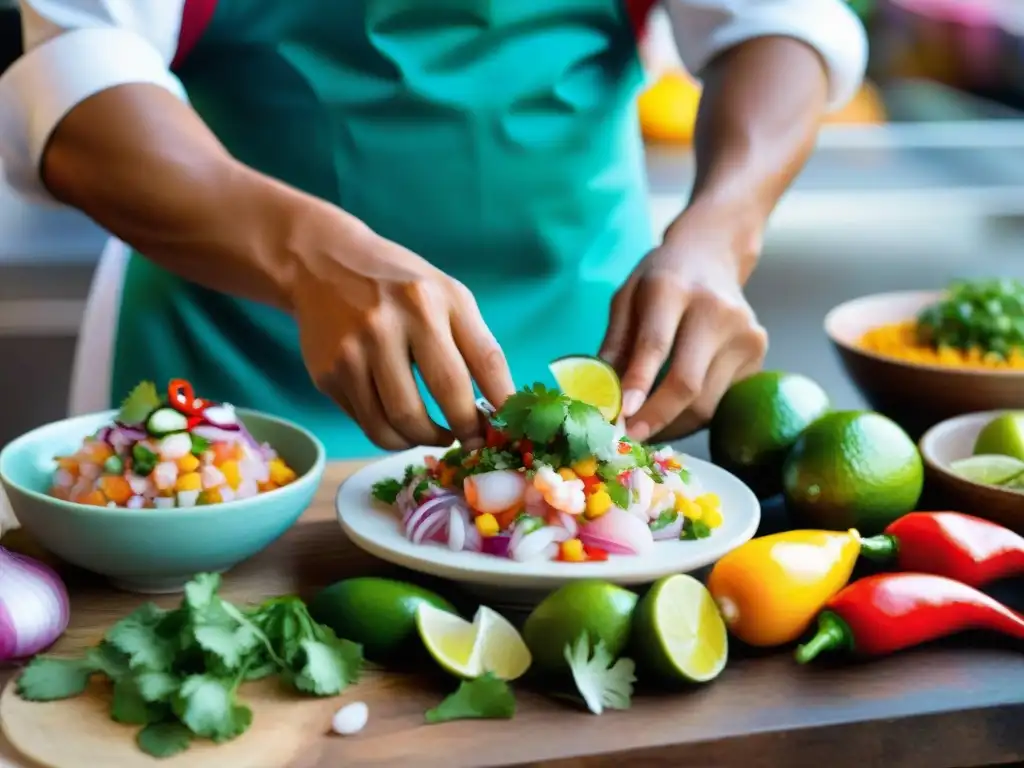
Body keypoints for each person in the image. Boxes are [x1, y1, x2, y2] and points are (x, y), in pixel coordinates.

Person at [0, 0, 866, 460]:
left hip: (589, 341)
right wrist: (302, 257)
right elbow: (75, 81)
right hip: (229, 378)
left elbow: (779, 22)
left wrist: (719, 233)